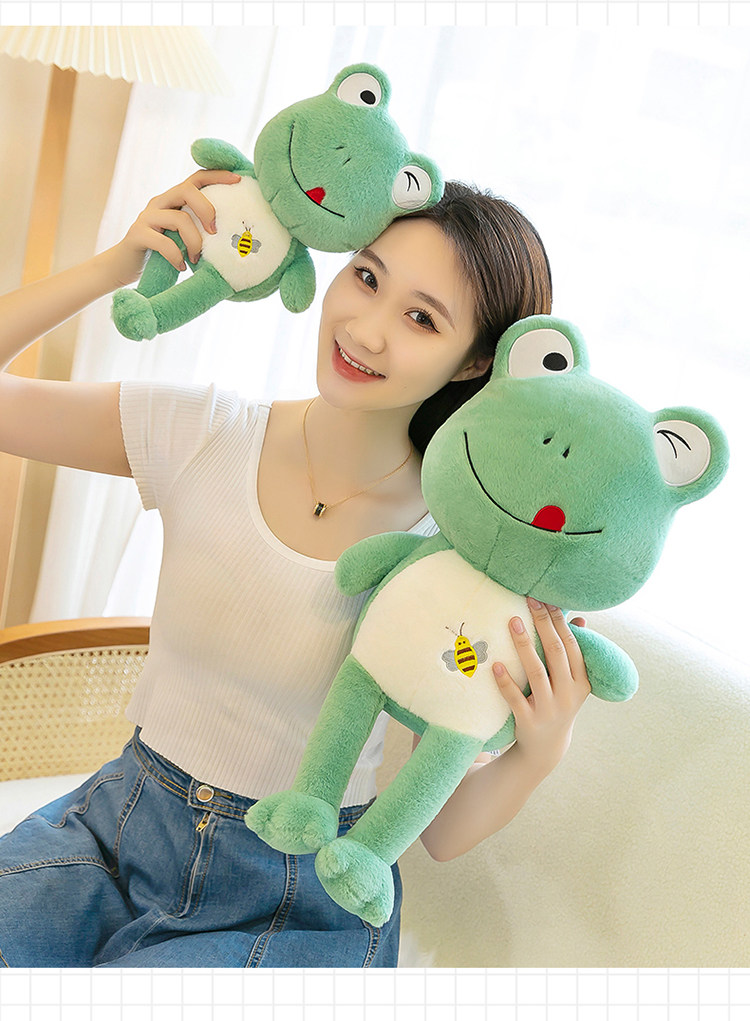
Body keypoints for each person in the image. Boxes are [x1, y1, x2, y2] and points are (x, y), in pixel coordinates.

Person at [0, 171, 591, 968]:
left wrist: (539, 749)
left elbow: (442, 829)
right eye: (367, 277)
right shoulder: (202, 432)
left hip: (297, 898)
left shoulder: (456, 552)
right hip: (115, 832)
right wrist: (119, 263)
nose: (366, 330)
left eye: (421, 318)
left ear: (473, 362)